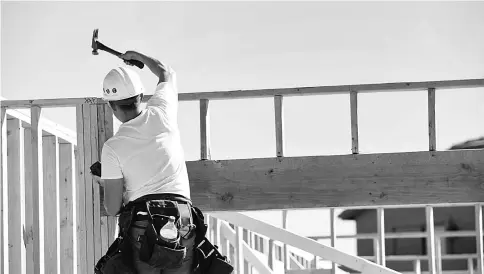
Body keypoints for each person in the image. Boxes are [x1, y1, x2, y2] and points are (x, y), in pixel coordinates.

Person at [92, 50, 197, 274]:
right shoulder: (163, 113)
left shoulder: (113, 147)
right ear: (141, 96)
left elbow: (112, 208)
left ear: (111, 106)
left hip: (143, 224)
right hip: (183, 222)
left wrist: (105, 183)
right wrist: (139, 57)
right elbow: (166, 72)